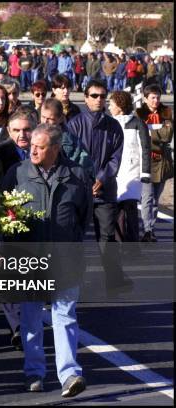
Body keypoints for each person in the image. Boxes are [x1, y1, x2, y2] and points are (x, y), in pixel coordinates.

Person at [0, 123, 92, 399]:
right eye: (31, 145)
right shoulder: (16, 173)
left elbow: (84, 216)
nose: (32, 150)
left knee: (64, 316)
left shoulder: (76, 175)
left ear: (55, 148)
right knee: (30, 318)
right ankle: (34, 373)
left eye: (39, 146)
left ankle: (69, 374)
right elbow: (4, 211)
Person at [67, 80, 129, 291]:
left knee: (107, 237)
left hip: (106, 191)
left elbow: (116, 158)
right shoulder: (74, 124)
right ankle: (72, 281)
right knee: (74, 238)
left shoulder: (114, 126)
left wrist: (102, 178)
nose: (99, 100)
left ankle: (114, 280)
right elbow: (70, 156)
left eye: (103, 96)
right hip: (79, 191)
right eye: (94, 96)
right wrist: (85, 180)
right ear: (85, 98)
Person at [107, 91, 151, 242]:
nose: (109, 107)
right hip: (114, 172)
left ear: (119, 106)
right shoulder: (109, 122)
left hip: (132, 173)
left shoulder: (138, 123)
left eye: (111, 104)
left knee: (130, 209)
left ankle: (132, 245)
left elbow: (145, 149)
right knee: (116, 210)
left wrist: (145, 173)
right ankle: (119, 243)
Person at [136, 85, 174, 242]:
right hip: (146, 162)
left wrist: (149, 133)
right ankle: (147, 229)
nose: (156, 100)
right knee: (147, 197)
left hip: (163, 162)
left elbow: (167, 135)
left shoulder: (166, 112)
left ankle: (151, 228)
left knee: (156, 200)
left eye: (158, 97)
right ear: (145, 99)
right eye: (152, 97)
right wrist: (154, 134)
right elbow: (139, 137)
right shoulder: (139, 114)